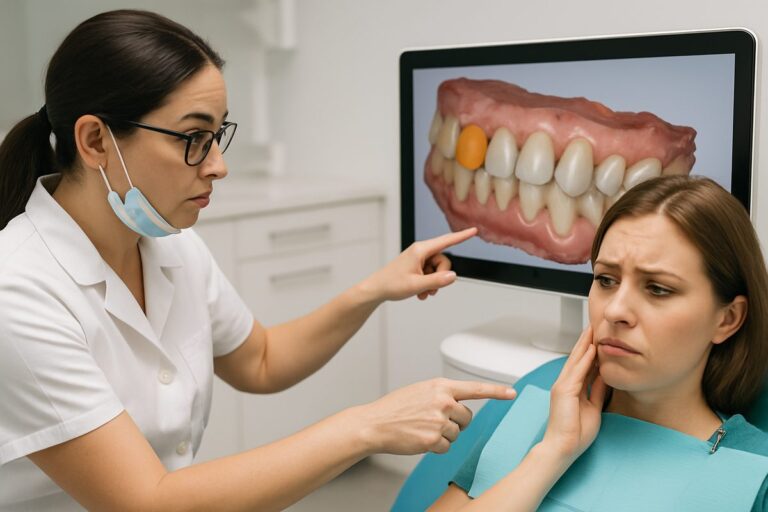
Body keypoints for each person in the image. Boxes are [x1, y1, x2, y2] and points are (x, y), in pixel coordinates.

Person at [0, 10, 518, 511]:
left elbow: (261, 360)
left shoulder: (170, 244)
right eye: (194, 139)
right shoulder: (18, 290)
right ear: (96, 141)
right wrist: (368, 426)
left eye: (218, 135)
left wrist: (373, 289)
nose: (219, 167)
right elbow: (146, 501)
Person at [428, 175, 768, 511]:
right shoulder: (537, 419)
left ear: (728, 319)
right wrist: (552, 453)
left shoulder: (754, 472)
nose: (616, 310)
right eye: (605, 280)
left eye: (658, 289)